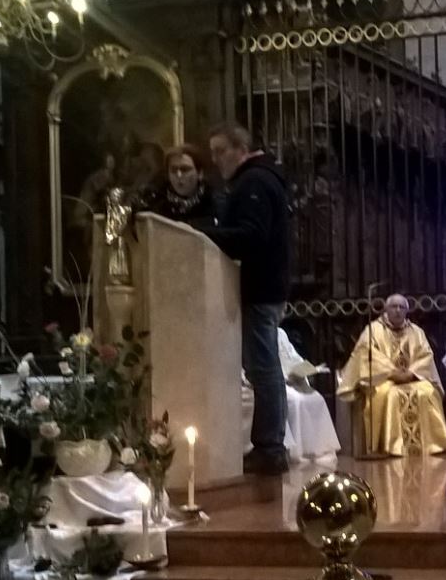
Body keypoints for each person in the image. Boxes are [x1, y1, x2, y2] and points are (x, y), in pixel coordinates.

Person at [197, 122, 291, 475]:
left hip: (259, 287)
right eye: (214, 153)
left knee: (263, 369)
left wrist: (204, 233)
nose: (217, 159)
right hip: (265, 286)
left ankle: (269, 447)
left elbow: (253, 236)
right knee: (263, 368)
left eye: (221, 151)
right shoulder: (262, 178)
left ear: (241, 148)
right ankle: (269, 445)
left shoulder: (254, 181)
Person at [337, 294, 446, 457]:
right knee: (388, 395)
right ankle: (388, 446)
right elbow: (366, 354)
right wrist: (391, 372)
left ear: (407, 311)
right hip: (383, 380)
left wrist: (411, 373)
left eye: (402, 307)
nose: (398, 311)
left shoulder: (416, 332)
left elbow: (426, 355)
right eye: (394, 307)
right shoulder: (373, 330)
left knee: (427, 391)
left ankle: (432, 444)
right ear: (386, 309)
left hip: (413, 378)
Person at [276, 327, 341, 467]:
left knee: (316, 398)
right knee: (296, 400)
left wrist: (304, 369)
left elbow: (293, 357)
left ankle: (319, 449)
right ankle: (297, 452)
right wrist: (285, 376)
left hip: (293, 381)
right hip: (277, 381)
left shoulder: (280, 332)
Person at [144, 144, 219, 227]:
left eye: (185, 169)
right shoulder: (156, 201)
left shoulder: (214, 202)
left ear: (200, 173)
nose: (179, 175)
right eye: (173, 170)